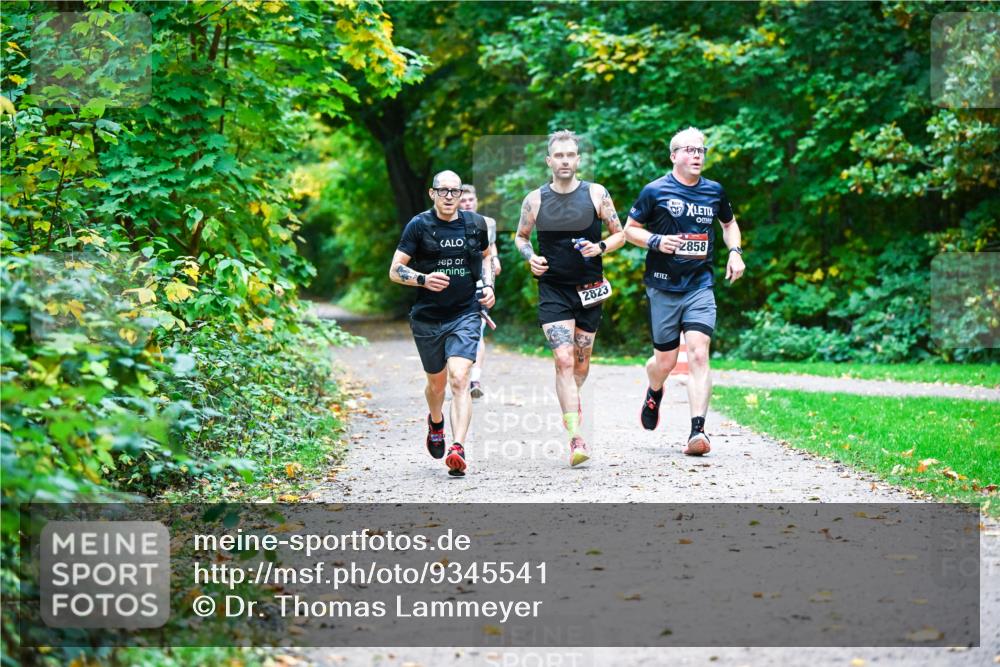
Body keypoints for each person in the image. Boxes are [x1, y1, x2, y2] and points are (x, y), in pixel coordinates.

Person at [623, 127, 745, 456]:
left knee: (699, 353)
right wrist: (656, 241)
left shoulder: (714, 191)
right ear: (674, 156)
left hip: (699, 284)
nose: (696, 155)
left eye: (701, 150)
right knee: (664, 362)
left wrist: (735, 252)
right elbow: (629, 230)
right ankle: (654, 389)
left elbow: (729, 224)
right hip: (663, 285)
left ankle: (697, 431)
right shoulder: (654, 191)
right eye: (689, 150)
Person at [514, 130, 625, 467]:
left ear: (578, 159)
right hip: (553, 289)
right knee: (563, 360)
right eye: (559, 155)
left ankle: (571, 405)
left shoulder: (596, 193)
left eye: (570, 155)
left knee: (580, 365)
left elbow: (620, 234)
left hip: (590, 289)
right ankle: (576, 436)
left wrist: (600, 247)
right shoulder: (535, 199)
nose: (564, 161)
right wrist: (530, 256)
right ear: (549, 161)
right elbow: (521, 237)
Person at [389, 170, 495, 476]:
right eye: (443, 191)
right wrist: (423, 279)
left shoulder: (475, 224)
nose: (449, 197)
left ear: (461, 194)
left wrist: (488, 286)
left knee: (460, 378)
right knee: (436, 385)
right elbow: (395, 270)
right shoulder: (419, 225)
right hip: (428, 318)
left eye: (455, 191)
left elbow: (487, 256)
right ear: (432, 193)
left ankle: (458, 447)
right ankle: (436, 422)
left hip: (465, 313)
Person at [458, 184, 501, 399]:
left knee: (478, 330)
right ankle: (459, 376)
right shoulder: (450, 223)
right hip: (457, 283)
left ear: (476, 201)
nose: (467, 204)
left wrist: (495, 259)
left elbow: (490, 247)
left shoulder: (488, 223)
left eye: (470, 200)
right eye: (463, 200)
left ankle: (475, 379)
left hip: (480, 283)